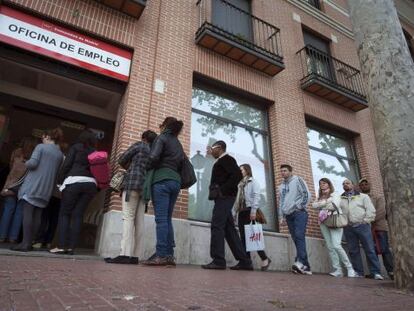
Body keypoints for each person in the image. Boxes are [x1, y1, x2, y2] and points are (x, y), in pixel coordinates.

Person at [105, 130, 157, 264]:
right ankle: (136, 256)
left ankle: (124, 254)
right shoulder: (154, 151)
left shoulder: (139, 145)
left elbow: (122, 159)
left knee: (128, 217)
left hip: (132, 184)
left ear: (143, 137)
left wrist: (131, 166)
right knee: (140, 221)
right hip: (145, 189)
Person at [202, 140, 253, 270]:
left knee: (216, 225)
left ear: (219, 148)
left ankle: (218, 260)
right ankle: (245, 261)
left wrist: (222, 191)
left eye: (212, 148)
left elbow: (236, 176)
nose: (211, 151)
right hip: (223, 198)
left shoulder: (227, 159)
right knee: (229, 229)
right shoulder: (221, 161)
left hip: (224, 198)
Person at [10, 128, 64, 252]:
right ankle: (30, 242)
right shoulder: (59, 154)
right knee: (38, 216)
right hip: (47, 189)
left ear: (47, 137)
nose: (42, 140)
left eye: (43, 137)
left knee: (28, 213)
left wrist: (26, 162)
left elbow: (33, 164)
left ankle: (25, 243)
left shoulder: (41, 147)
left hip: (34, 185)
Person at [141, 117, 185, 266]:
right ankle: (169, 255)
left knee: (161, 219)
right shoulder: (178, 144)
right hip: (175, 182)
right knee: (167, 218)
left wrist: (145, 167)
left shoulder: (162, 138)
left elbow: (153, 157)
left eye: (160, 125)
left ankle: (160, 255)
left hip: (161, 181)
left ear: (164, 126)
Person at [50, 130, 98, 255]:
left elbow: (67, 165)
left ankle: (61, 246)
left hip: (74, 181)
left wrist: (60, 181)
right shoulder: (95, 152)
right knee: (78, 215)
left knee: (65, 214)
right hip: (90, 184)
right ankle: (71, 247)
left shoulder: (76, 147)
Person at [312, 178, 357, 277]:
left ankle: (350, 268)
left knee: (336, 245)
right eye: (320, 184)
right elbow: (313, 205)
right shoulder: (319, 196)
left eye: (324, 183)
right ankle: (338, 270)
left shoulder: (335, 194)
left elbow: (334, 205)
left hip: (334, 220)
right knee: (330, 246)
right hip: (323, 222)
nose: (322, 185)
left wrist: (322, 204)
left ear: (329, 184)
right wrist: (325, 203)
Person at [340, 179, 384, 280]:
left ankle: (376, 272)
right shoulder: (340, 198)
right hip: (348, 227)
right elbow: (338, 211)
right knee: (353, 251)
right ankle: (358, 272)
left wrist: (366, 220)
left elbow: (370, 210)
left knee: (370, 249)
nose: (345, 185)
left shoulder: (363, 196)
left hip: (362, 226)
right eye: (343, 184)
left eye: (347, 183)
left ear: (353, 185)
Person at [233, 163, 271, 271]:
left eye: (242, 170)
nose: (240, 172)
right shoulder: (240, 184)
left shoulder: (253, 182)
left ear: (247, 170)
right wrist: (234, 212)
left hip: (250, 211)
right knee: (243, 238)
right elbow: (237, 200)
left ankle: (264, 258)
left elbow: (256, 196)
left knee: (253, 237)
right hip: (242, 211)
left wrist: (253, 211)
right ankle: (247, 262)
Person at [0, 137, 38, 243]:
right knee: (19, 212)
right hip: (25, 187)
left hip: (11, 185)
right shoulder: (34, 157)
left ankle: (2, 236)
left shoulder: (16, 153)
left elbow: (10, 166)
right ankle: (13, 237)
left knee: (8, 210)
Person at [278, 164, 312, 275]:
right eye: (281, 171)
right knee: (296, 238)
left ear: (290, 171)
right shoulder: (281, 186)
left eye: (285, 170)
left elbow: (306, 194)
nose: (283, 172)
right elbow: (281, 201)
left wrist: (299, 206)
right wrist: (282, 216)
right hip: (288, 215)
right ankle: (306, 266)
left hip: (299, 213)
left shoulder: (298, 180)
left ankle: (300, 261)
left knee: (299, 235)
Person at [359, 178, 394, 279]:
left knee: (384, 249)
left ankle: (391, 271)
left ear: (370, 185)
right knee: (370, 250)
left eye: (366, 184)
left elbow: (381, 211)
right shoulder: (359, 198)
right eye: (362, 185)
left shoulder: (378, 197)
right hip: (366, 228)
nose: (364, 186)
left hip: (379, 227)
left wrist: (368, 220)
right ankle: (375, 272)